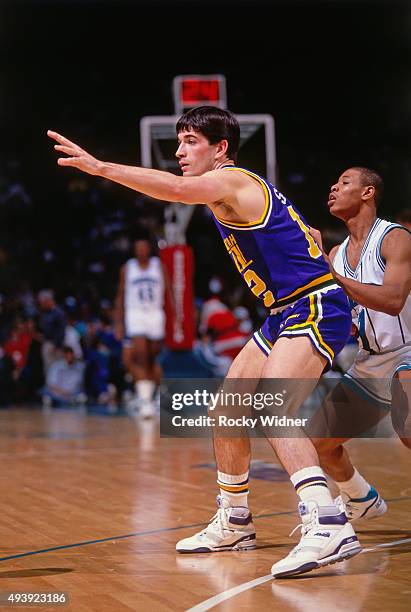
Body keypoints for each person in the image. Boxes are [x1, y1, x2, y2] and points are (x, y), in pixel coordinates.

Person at [48, 106, 361, 578]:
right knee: (227, 410)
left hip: (314, 303)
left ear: (220, 149)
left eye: (191, 141)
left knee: (273, 407)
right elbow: (302, 233)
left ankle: (328, 520)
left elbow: (174, 191)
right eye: (178, 140)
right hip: (283, 312)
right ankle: (235, 520)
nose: (179, 150)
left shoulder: (232, 179)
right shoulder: (235, 191)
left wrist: (101, 167)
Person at [309, 167, 411, 520]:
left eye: (344, 183)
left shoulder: (394, 238)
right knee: (318, 444)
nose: (333, 187)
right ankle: (360, 498)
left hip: (407, 353)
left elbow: (394, 300)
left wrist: (331, 275)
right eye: (334, 183)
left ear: (368, 193)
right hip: (369, 361)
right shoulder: (336, 253)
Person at [113, 237, 167, 418]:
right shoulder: (127, 268)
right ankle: (145, 402)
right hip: (135, 314)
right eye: (138, 247)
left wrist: (177, 316)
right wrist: (118, 322)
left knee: (153, 358)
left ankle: (155, 397)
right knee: (141, 355)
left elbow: (169, 291)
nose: (142, 250)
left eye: (144, 247)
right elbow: (120, 296)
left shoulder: (158, 265)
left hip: (155, 313)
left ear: (149, 250)